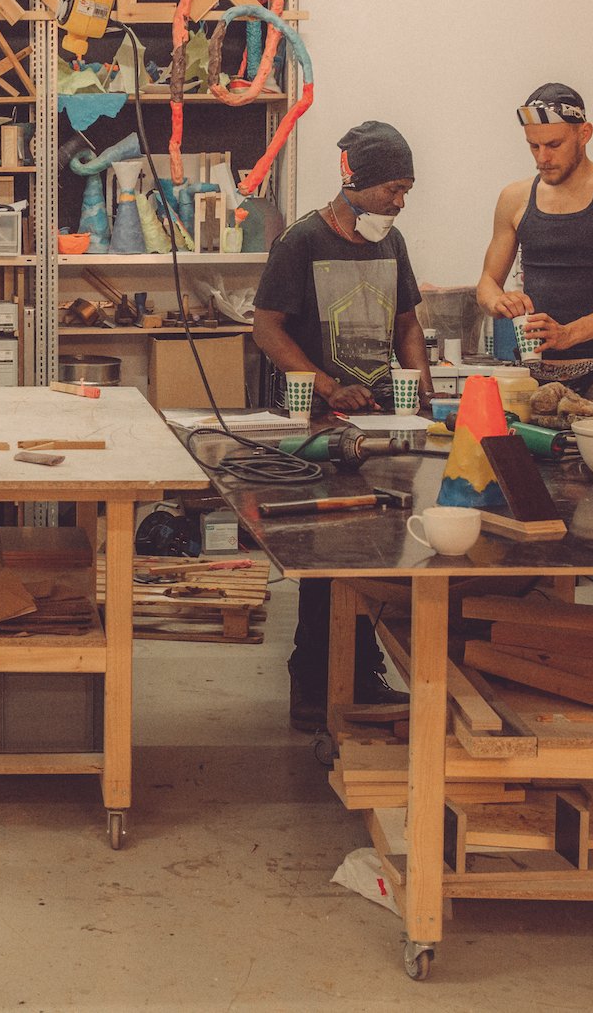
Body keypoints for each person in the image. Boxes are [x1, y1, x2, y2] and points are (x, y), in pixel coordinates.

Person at [254, 121, 431, 731]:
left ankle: (358, 674)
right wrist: (329, 386)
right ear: (356, 181)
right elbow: (267, 328)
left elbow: (408, 323)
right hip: (322, 426)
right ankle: (316, 683)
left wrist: (422, 388)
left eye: (407, 190)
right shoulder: (301, 243)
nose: (399, 202)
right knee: (331, 555)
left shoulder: (393, 243)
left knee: (378, 552)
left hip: (382, 419)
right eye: (393, 189)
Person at [476, 82, 593, 612]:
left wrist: (571, 333)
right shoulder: (516, 197)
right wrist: (500, 300)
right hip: (535, 386)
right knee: (535, 515)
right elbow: (487, 282)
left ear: (585, 132)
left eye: (553, 144)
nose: (543, 157)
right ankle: (553, 635)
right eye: (533, 146)